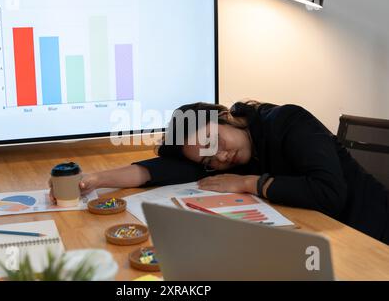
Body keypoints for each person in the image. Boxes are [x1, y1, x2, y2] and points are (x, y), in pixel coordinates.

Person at [50, 102, 389, 244]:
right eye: (209, 160)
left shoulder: (289, 121)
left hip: (371, 231)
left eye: (215, 141)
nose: (222, 156)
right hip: (323, 237)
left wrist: (247, 183)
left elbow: (329, 193)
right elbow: (154, 172)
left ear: (224, 116)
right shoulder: (229, 156)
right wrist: (93, 180)